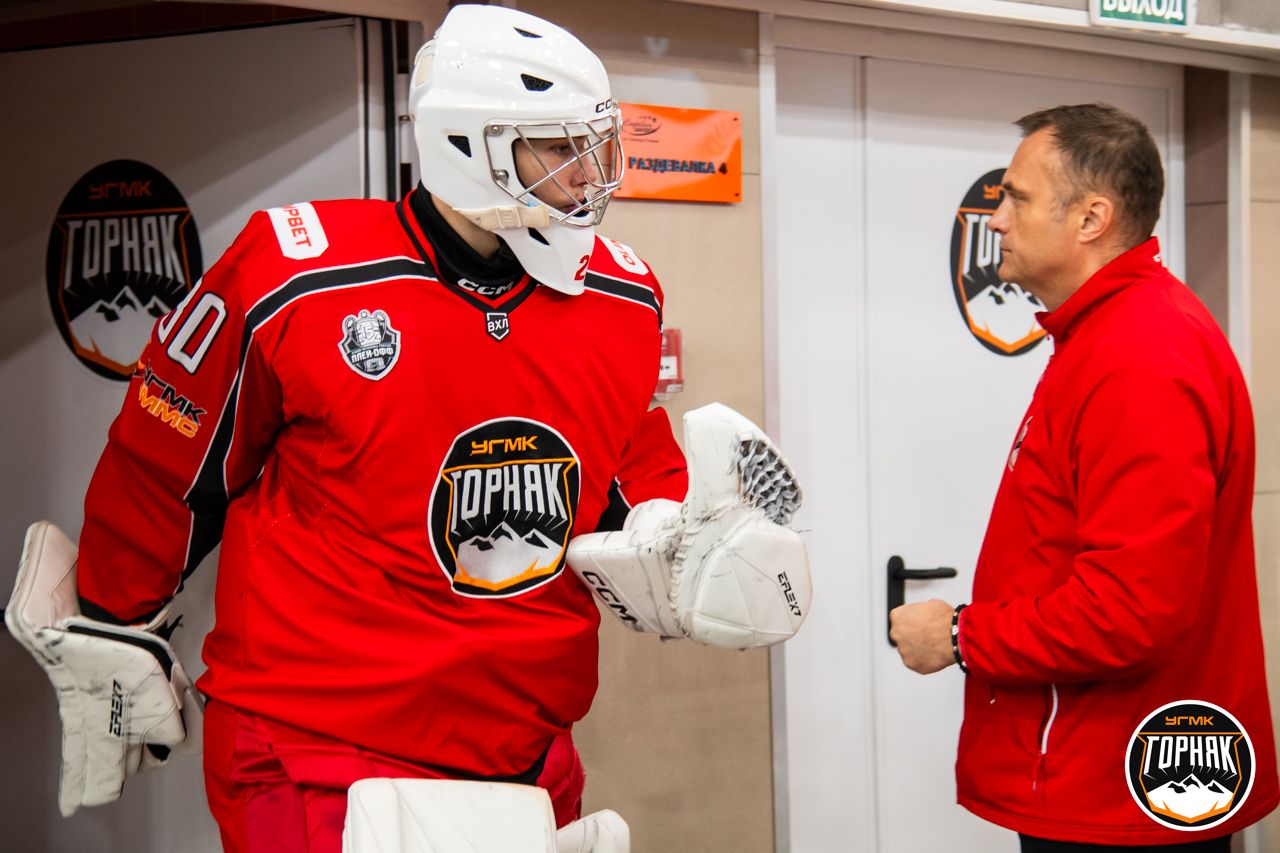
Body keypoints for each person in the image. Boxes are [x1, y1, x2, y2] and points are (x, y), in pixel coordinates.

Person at [6, 5, 809, 852]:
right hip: (319, 746)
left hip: (528, 749)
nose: (589, 177)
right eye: (556, 148)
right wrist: (110, 617)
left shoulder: (623, 294)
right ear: (465, 144)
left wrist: (690, 541)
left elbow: (626, 464)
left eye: (595, 146)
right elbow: (167, 461)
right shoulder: (296, 271)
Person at [889, 103, 1278, 851]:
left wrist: (962, 634)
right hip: (1107, 781)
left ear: (1091, 218)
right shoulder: (1110, 334)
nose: (996, 219)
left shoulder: (1142, 355)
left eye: (1017, 197)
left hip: (1119, 792)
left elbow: (1132, 609)